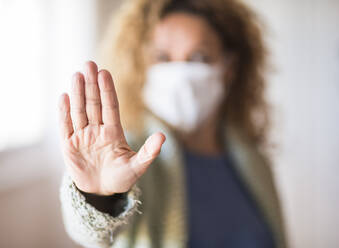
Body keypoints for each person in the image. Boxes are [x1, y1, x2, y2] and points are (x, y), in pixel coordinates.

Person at [58, 0, 286, 247]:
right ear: (141, 65)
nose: (180, 74)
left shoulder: (251, 157)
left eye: (199, 57)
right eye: (162, 57)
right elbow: (95, 233)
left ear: (228, 68)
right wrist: (99, 197)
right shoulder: (127, 154)